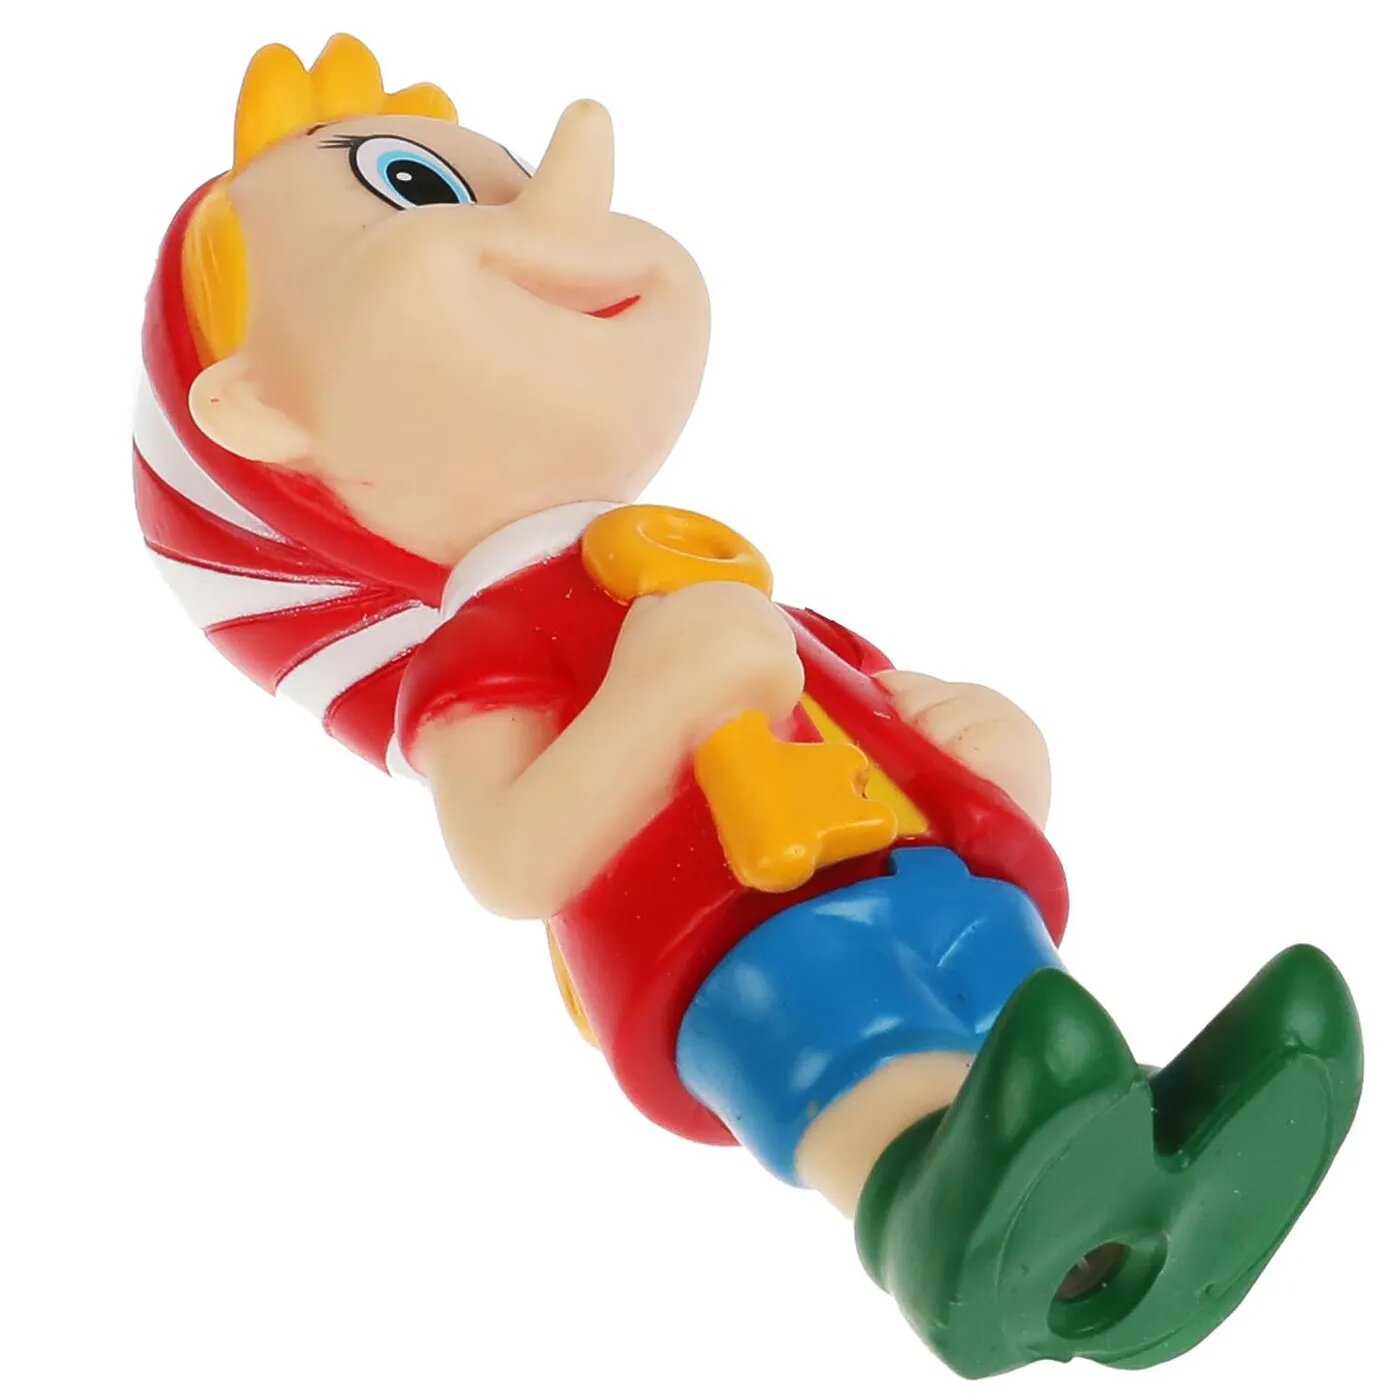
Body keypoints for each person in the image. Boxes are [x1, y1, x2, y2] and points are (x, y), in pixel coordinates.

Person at [136, 34, 1363, 1376]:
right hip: (730, 932)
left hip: (933, 870)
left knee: (1031, 1023)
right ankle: (928, 1216)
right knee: (865, 1056)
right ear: (259, 409)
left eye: (513, 181)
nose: (563, 212)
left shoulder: (709, 576)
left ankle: (1152, 1170)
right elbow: (512, 856)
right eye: (419, 194)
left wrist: (982, 742)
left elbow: (867, 701)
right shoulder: (482, 651)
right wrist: (664, 693)